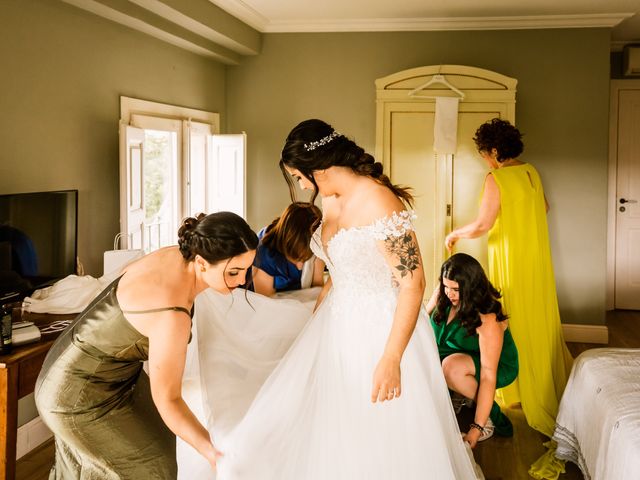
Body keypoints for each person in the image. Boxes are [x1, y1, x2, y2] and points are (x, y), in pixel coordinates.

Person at [197, 119, 482, 479]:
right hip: (337, 324)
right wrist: (316, 321)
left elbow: (414, 283)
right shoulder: (329, 198)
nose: (301, 186)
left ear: (318, 168)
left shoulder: (380, 201)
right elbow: (337, 272)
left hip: (381, 329)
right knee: (334, 419)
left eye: (299, 177)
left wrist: (392, 357)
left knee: (379, 424)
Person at [35, 212, 258, 479]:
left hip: (98, 371)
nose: (242, 281)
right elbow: (169, 400)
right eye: (233, 272)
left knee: (160, 441)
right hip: (75, 394)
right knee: (152, 466)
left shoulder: (176, 254)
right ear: (201, 263)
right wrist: (213, 452)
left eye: (247, 269)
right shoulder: (171, 314)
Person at [444, 118, 573, 478]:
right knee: (533, 314)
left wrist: (456, 234)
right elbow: (543, 208)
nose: (485, 160)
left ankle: (512, 386)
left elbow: (484, 225)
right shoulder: (531, 172)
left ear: (495, 152)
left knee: (507, 316)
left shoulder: (497, 178)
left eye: (485, 154)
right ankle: (533, 380)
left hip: (511, 256)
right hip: (535, 257)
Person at [426, 253, 518, 448]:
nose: (449, 293)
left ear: (471, 288)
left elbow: (488, 375)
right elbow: (422, 324)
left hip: (494, 364)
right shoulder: (445, 292)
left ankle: (488, 419)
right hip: (456, 353)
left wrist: (475, 429)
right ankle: (460, 391)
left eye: (456, 290)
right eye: (445, 286)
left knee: (451, 368)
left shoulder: (488, 319)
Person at [252, 202, 325, 296]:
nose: (300, 267)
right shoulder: (263, 254)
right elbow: (266, 303)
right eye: (297, 258)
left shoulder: (316, 243)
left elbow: (317, 290)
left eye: (305, 259)